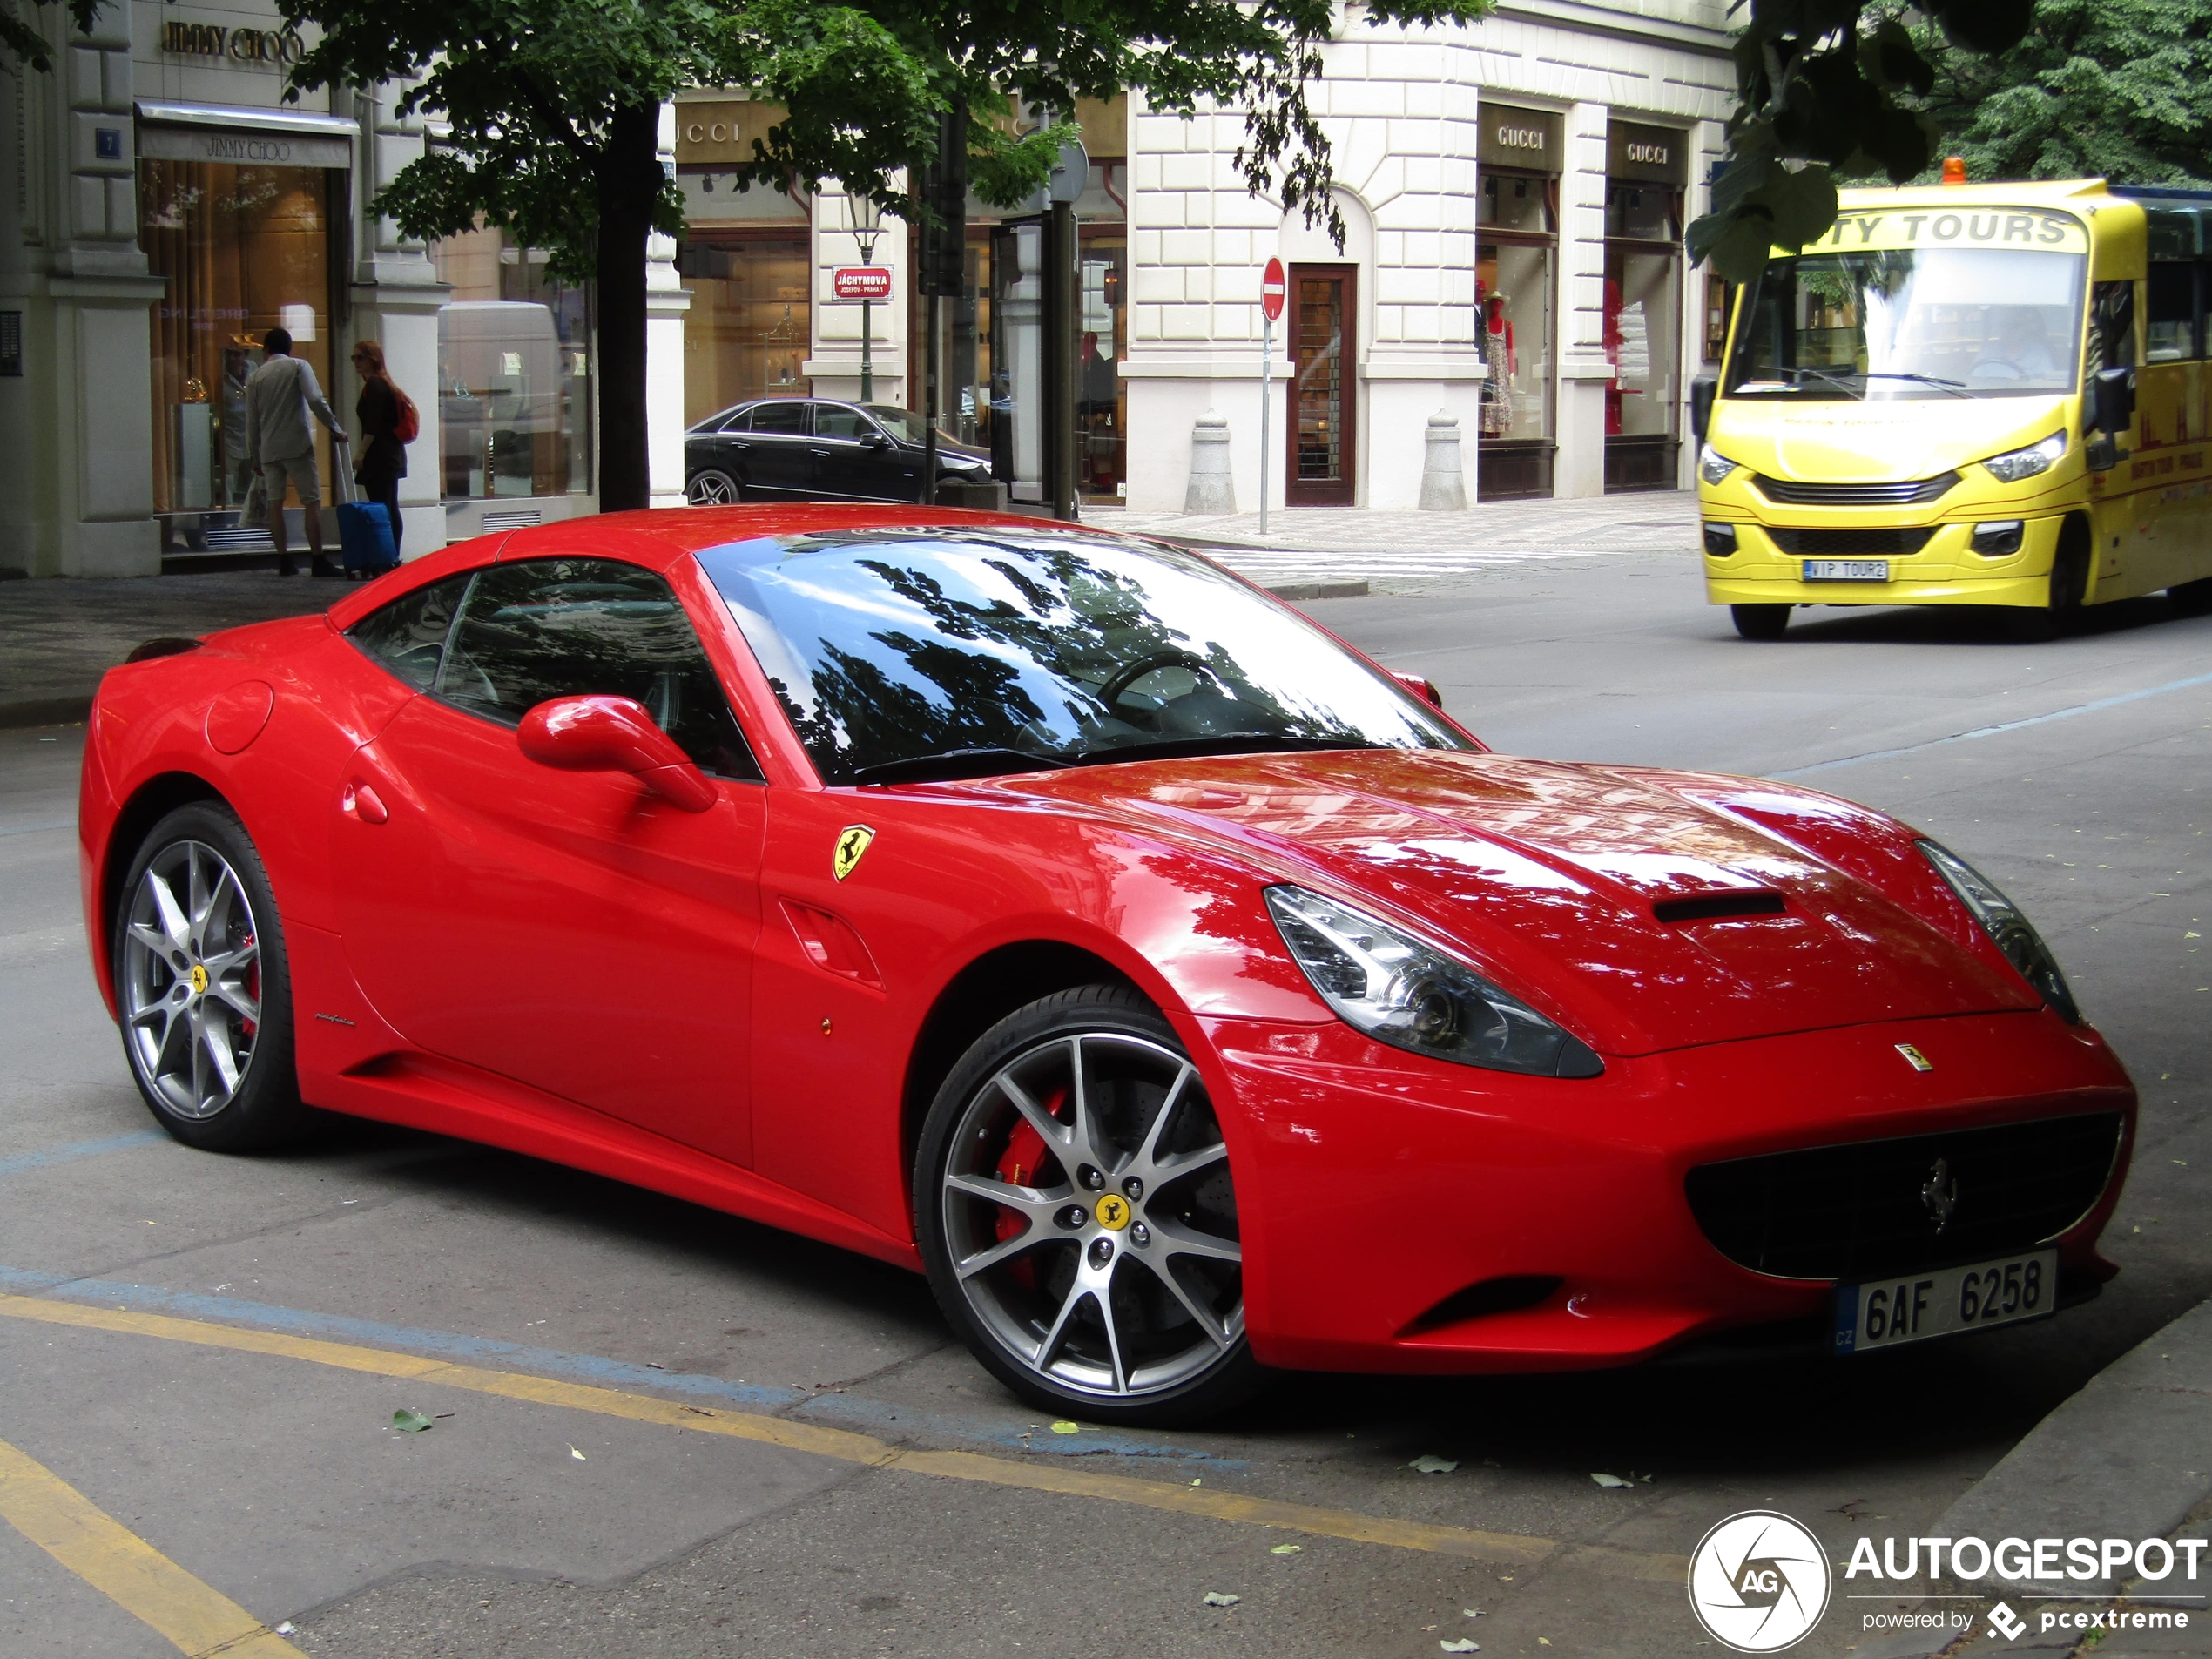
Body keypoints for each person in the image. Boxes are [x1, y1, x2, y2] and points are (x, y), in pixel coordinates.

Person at [242, 326, 347, 576]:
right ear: (290, 348)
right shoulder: (299, 366)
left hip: (269, 449)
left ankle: (283, 560)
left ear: (266, 350)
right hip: (297, 445)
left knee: (274, 502)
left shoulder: (255, 377)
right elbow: (315, 400)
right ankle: (317, 558)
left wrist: (254, 456)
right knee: (312, 501)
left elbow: (251, 421)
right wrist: (334, 427)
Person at [349, 339, 409, 573]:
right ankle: (390, 555)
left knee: (384, 506)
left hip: (381, 456)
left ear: (372, 359)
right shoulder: (383, 384)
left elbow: (372, 426)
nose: (356, 362)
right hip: (389, 454)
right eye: (354, 358)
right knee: (388, 505)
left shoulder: (375, 386)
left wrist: (360, 453)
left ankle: (388, 557)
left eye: (360, 358)